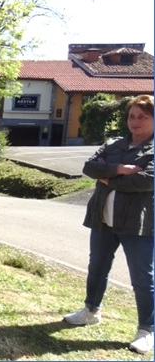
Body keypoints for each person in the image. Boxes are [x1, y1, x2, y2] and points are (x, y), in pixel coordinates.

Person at [63, 94, 154, 354]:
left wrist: (108, 177)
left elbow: (146, 181)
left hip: (139, 223)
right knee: (97, 267)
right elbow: (90, 167)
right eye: (131, 116)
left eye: (142, 117)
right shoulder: (114, 143)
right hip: (103, 218)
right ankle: (91, 310)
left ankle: (147, 329)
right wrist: (118, 169)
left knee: (142, 278)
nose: (135, 121)